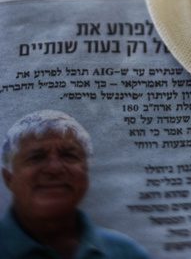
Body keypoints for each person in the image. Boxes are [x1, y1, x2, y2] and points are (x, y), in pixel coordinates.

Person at [0, 110, 151, 258]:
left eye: (69, 155)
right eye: (36, 157)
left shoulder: (126, 253)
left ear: (86, 171)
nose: (54, 168)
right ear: (9, 178)